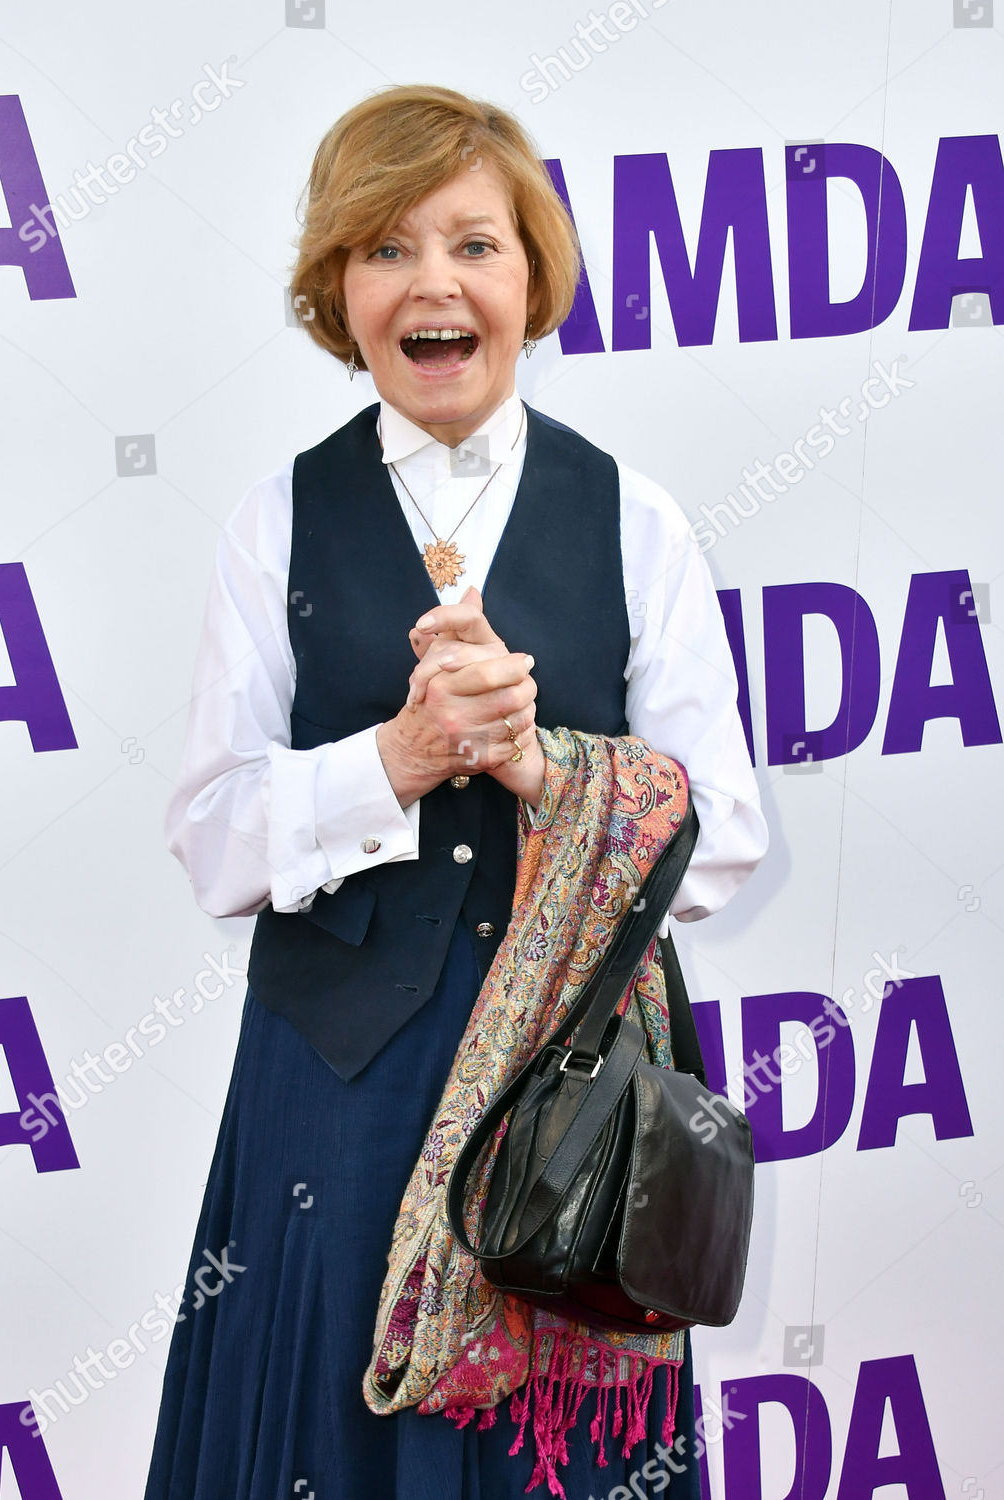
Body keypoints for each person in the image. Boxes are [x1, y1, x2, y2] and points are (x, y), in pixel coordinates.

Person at [143, 83, 767, 1500]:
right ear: (337, 293)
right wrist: (398, 763)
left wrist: (551, 772)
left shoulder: (637, 519)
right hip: (337, 1104)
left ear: (534, 275)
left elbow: (722, 838)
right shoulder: (274, 520)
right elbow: (213, 839)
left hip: (574, 1113)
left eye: (475, 245)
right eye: (387, 249)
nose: (434, 283)